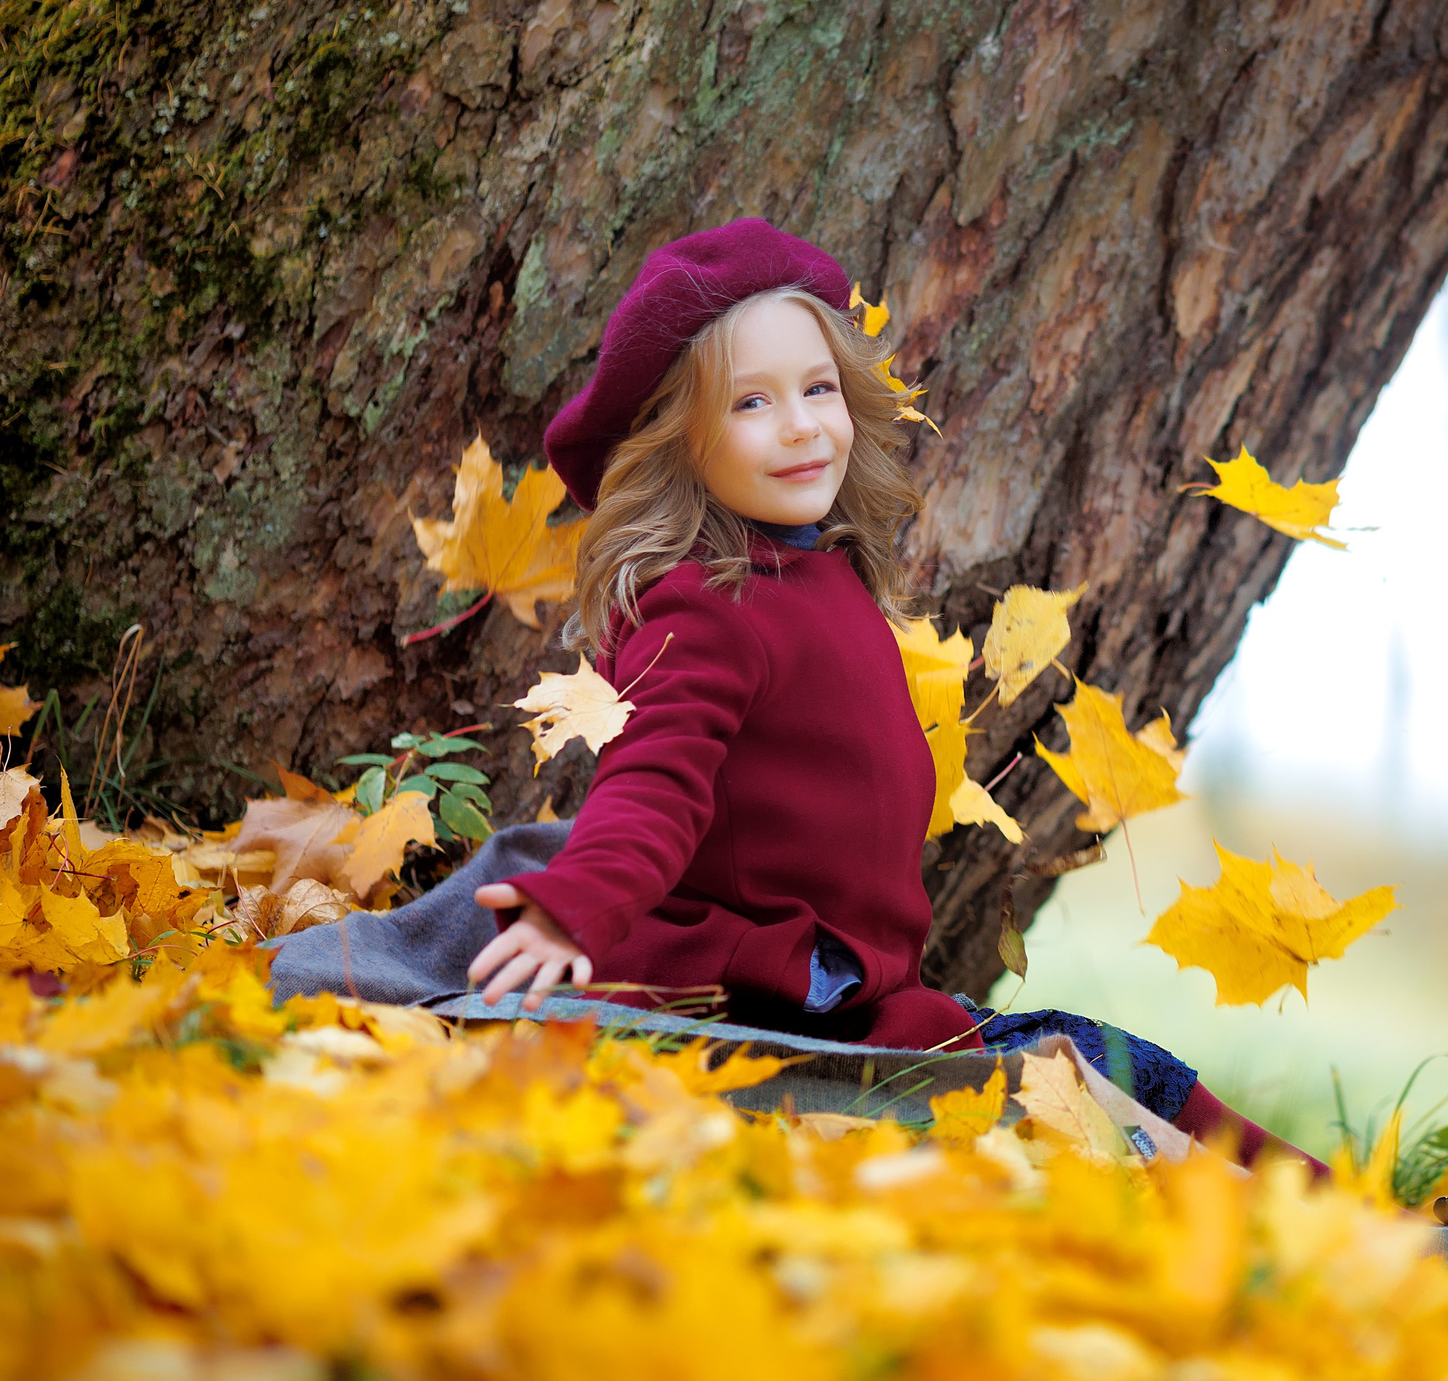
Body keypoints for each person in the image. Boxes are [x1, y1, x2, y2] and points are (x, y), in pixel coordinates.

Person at [462, 216, 1309, 1171]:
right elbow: (652, 785)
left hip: (859, 990)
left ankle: (1358, 1216)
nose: (800, 425)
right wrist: (569, 905)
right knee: (1090, 1095)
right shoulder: (701, 604)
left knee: (1139, 1067)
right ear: (681, 442)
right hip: (771, 1000)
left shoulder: (820, 577)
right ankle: (1287, 1228)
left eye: (818, 388)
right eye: (750, 402)